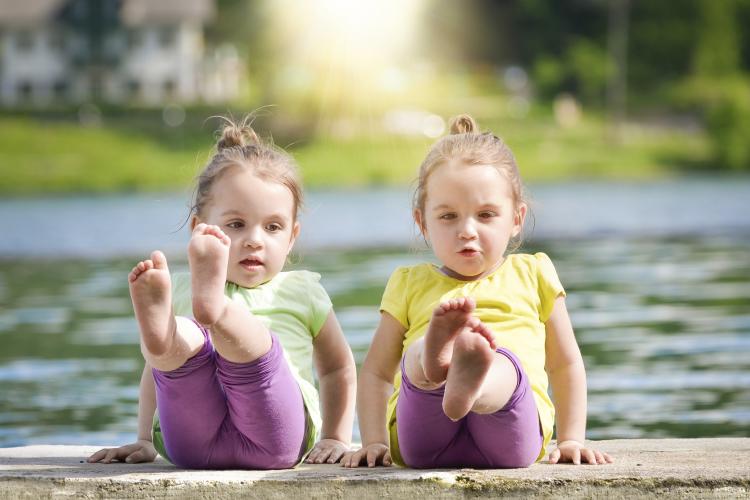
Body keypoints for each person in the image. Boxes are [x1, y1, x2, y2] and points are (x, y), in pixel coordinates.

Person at [342, 115, 612, 469]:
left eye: (485, 215)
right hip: (423, 436)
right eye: (448, 217)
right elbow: (377, 371)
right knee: (417, 363)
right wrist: (374, 442)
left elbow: (565, 363)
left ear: (516, 218)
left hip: (510, 432)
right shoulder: (409, 282)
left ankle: (474, 378)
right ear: (422, 222)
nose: (467, 230)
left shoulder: (533, 273)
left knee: (503, 367)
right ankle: (437, 359)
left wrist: (572, 439)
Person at [88, 118, 356, 469]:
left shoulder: (301, 290)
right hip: (193, 441)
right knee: (174, 352)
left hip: (271, 437)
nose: (254, 239)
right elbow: (154, 371)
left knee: (243, 346)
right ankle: (174, 332)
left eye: (273, 227)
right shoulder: (183, 287)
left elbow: (338, 367)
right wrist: (143, 440)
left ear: (292, 236)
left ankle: (215, 313)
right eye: (236, 225)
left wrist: (336, 436)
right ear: (199, 228)